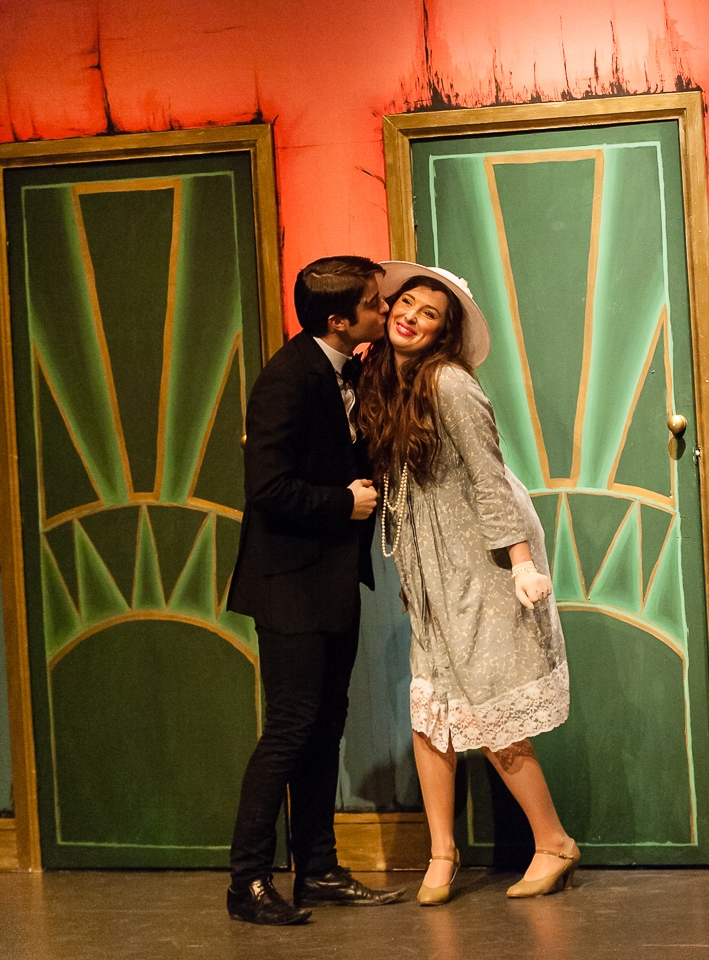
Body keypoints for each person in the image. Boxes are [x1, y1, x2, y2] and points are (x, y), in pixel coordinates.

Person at [358, 261, 578, 904]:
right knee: (431, 710)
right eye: (407, 303)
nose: (410, 317)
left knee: (490, 708)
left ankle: (554, 842)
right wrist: (414, 573)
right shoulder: (385, 381)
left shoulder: (449, 383)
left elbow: (489, 474)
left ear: (443, 332)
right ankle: (441, 852)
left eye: (429, 314)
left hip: (482, 563)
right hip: (433, 568)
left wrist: (522, 564)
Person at [225, 255, 406, 925]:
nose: (384, 310)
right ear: (339, 319)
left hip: (328, 579)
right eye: (374, 303)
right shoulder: (288, 378)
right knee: (290, 728)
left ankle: (318, 869)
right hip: (289, 584)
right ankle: (247, 880)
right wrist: (342, 503)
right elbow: (267, 489)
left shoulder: (346, 369)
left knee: (325, 727)